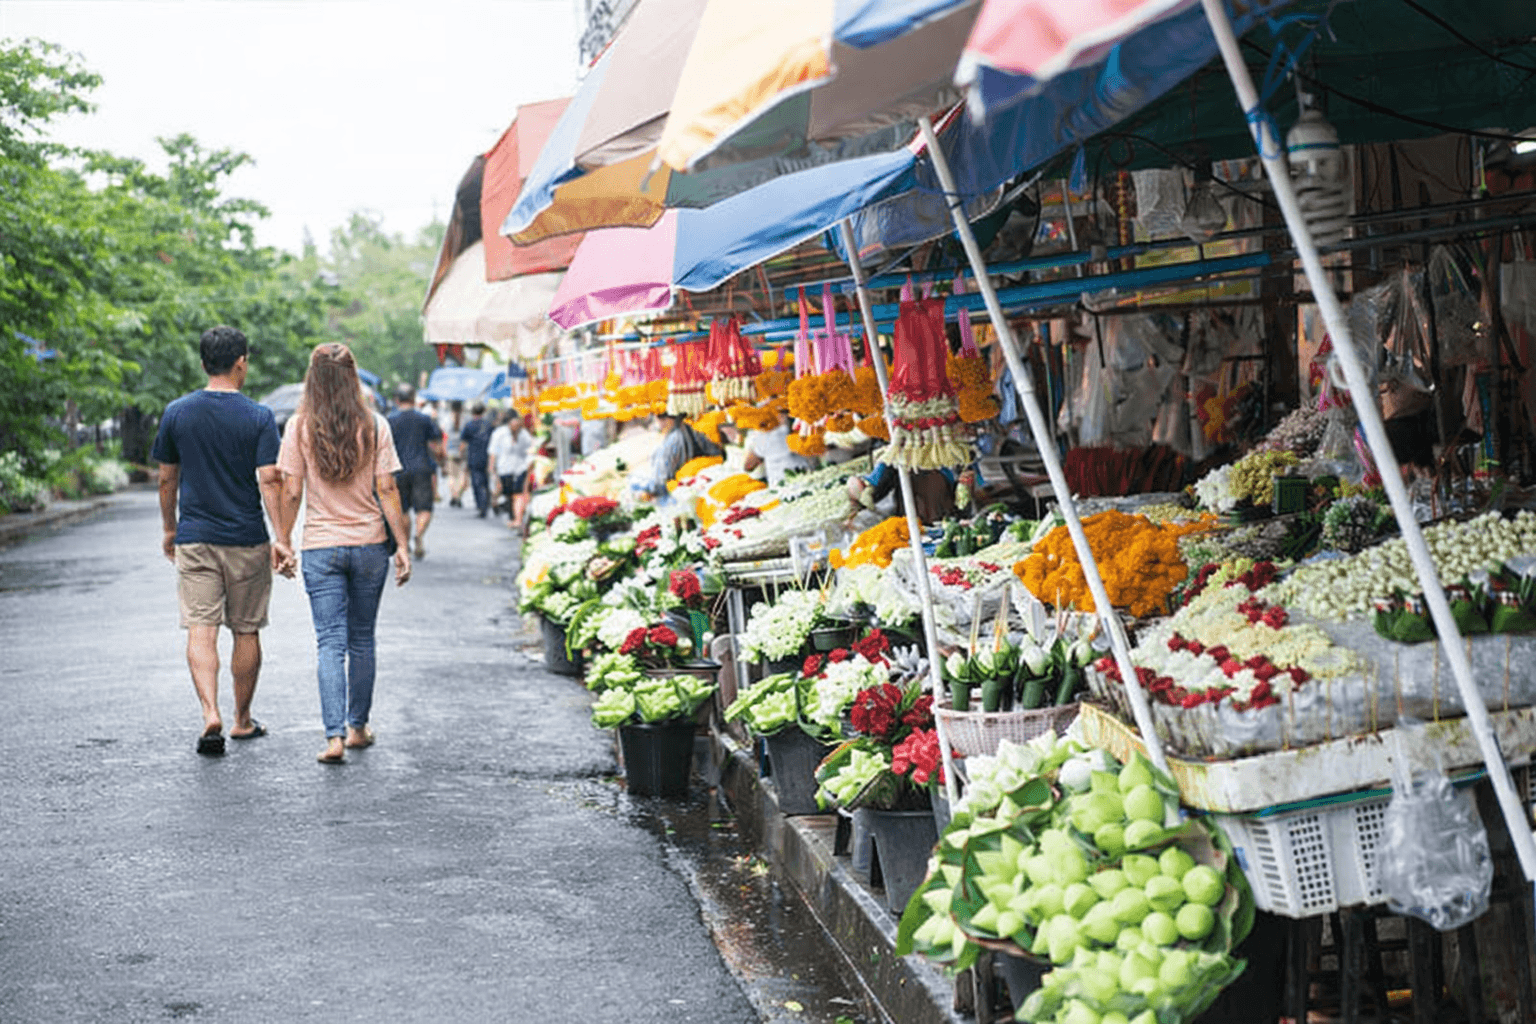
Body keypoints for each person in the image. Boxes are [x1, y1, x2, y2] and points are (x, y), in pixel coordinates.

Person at [152, 325, 286, 756]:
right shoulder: (259, 417)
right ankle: (242, 720)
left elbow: (166, 478)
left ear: (203, 362)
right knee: (245, 629)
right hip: (247, 538)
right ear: (241, 362)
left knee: (201, 628)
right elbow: (269, 480)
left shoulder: (177, 412)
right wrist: (281, 536)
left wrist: (170, 528)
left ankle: (211, 711)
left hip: (195, 538)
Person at [275, 343, 412, 765]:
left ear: (312, 380)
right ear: (354, 378)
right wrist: (402, 543)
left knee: (330, 642)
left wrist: (282, 538)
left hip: (321, 546)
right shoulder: (374, 425)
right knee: (361, 638)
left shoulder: (299, 426)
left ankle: (332, 737)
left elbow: (292, 489)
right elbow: (387, 488)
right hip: (370, 544)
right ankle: (357, 728)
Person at [387, 384, 443, 558]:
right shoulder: (425, 419)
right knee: (424, 507)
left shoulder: (389, 420)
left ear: (397, 400)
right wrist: (440, 461)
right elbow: (437, 446)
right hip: (422, 468)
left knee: (402, 509)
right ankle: (418, 535)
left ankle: (404, 543)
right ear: (413, 399)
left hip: (397, 469)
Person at [634, 412, 725, 499]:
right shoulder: (690, 428)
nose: (655, 424)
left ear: (666, 419)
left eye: (656, 418)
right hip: (700, 484)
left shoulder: (673, 439)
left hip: (680, 492)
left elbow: (658, 482)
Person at [488, 409, 535, 528]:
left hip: (520, 468)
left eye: (518, 426)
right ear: (508, 424)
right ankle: (508, 511)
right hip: (504, 469)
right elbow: (493, 452)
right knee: (508, 494)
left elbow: (531, 448)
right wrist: (491, 468)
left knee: (517, 494)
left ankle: (517, 519)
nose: (516, 428)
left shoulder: (524, 435)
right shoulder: (499, 433)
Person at [742, 412, 812, 486]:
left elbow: (748, 466)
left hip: (781, 483)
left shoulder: (759, 437)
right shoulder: (784, 425)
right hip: (804, 476)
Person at [460, 401, 495, 517]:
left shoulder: (469, 425)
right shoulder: (489, 425)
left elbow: (463, 444)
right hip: (487, 456)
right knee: (485, 481)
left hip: (474, 457)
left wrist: (462, 456)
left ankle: (481, 505)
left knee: (476, 482)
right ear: (484, 411)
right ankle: (486, 502)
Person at [438, 400, 467, 506]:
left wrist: (443, 451)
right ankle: (458, 496)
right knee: (461, 475)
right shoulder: (466, 419)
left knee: (452, 476)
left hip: (450, 450)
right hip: (463, 450)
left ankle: (453, 496)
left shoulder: (446, 419)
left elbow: (444, 437)